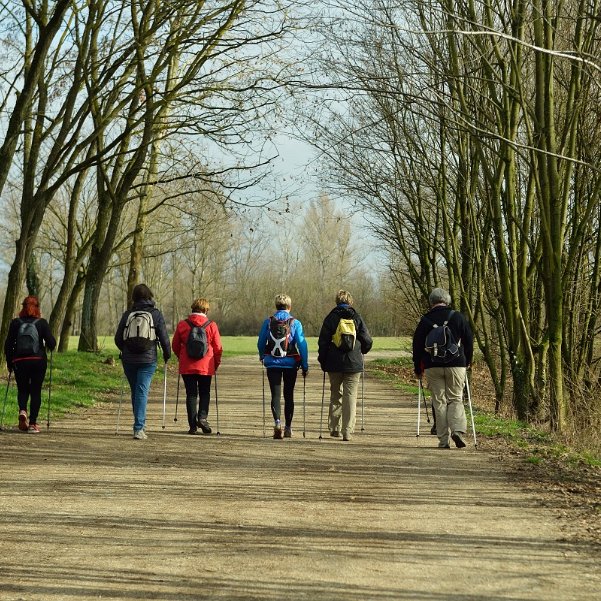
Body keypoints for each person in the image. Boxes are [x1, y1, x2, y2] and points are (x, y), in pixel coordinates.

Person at [412, 287, 474, 449]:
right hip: (456, 363)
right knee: (455, 399)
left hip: (433, 365)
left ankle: (443, 440)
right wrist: (468, 360)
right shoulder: (458, 317)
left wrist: (418, 368)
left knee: (439, 401)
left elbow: (417, 345)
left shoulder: (425, 320)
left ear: (431, 302)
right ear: (447, 301)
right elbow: (469, 340)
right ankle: (457, 431)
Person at [115, 283, 171, 440]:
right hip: (148, 359)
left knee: (136, 391)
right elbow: (164, 337)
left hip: (129, 359)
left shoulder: (128, 314)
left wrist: (126, 349)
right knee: (141, 391)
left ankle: (139, 424)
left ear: (134, 297)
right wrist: (167, 354)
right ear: (149, 296)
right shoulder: (155, 314)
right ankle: (139, 427)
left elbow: (118, 338)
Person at [318, 290, 372, 441]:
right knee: (350, 396)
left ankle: (334, 428)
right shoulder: (357, 317)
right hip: (353, 363)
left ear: (337, 301)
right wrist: (363, 350)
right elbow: (367, 340)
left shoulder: (330, 318)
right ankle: (347, 431)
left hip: (334, 363)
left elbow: (322, 342)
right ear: (350, 302)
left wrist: (323, 361)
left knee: (336, 394)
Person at [257, 294, 309, 439]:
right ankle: (288, 428)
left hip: (272, 363)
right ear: (289, 307)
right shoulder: (295, 323)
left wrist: (262, 356)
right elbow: (302, 344)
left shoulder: (268, 322)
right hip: (290, 363)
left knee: (275, 395)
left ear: (276, 306)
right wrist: (304, 365)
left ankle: (277, 422)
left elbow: (261, 342)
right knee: (288, 395)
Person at [4, 296, 57, 433]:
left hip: (20, 362)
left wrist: (10, 362)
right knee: (35, 391)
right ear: (38, 307)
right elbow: (52, 344)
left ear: (22, 307)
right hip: (38, 361)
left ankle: (23, 410)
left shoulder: (15, 323)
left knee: (22, 389)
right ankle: (33, 424)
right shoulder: (42, 323)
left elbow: (8, 344)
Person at [171, 298, 223, 435]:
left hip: (187, 366)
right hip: (206, 365)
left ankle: (192, 425)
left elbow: (175, 345)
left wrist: (181, 357)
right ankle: (203, 418)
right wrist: (215, 364)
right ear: (206, 310)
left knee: (191, 394)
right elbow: (218, 348)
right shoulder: (211, 325)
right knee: (205, 393)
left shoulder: (183, 324)